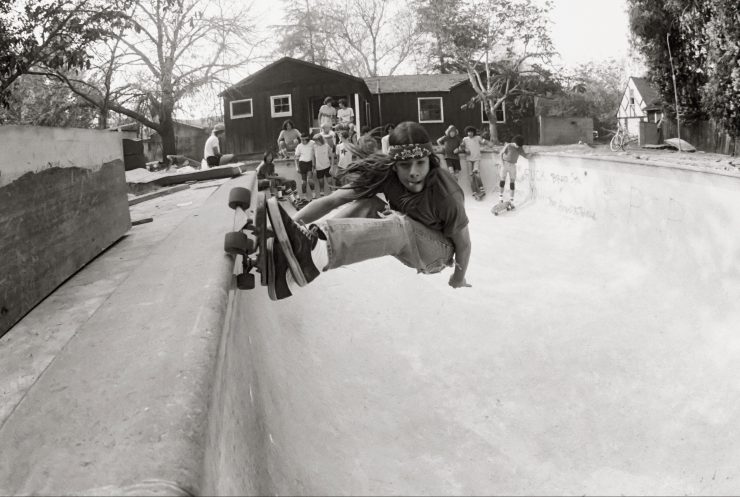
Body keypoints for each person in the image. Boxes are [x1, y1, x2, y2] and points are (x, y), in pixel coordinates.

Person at [262, 121, 472, 300]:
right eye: (405, 166)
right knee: (369, 204)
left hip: (437, 253)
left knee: (399, 223)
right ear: (394, 165)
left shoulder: (446, 193)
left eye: (420, 163)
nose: (414, 173)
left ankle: (317, 253)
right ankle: (308, 242)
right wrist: (284, 230)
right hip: (407, 234)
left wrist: (458, 278)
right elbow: (332, 200)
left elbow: (463, 244)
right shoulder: (384, 174)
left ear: (430, 161)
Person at [498, 135, 530, 206]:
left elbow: (526, 156)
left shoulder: (520, 148)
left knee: (512, 182)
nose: (517, 147)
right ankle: (500, 198)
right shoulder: (508, 145)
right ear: (514, 142)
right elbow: (501, 154)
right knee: (502, 180)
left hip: (513, 166)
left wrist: (533, 154)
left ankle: (511, 200)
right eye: (517, 145)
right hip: (505, 164)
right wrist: (502, 164)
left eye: (519, 146)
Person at [461, 125, 488, 198]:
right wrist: (465, 149)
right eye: (468, 132)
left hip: (476, 159)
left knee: (476, 173)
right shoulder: (465, 139)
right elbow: (462, 146)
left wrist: (486, 141)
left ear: (474, 132)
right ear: (467, 133)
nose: (470, 133)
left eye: (471, 132)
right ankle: (474, 191)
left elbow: (483, 142)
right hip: (469, 159)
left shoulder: (477, 138)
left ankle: (481, 189)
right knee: (471, 175)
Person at [294, 132, 316, 201]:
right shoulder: (299, 146)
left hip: (310, 163)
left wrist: (315, 164)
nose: (302, 141)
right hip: (302, 164)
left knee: (309, 180)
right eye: (301, 140)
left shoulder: (312, 143)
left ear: (308, 139)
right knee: (303, 182)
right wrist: (297, 167)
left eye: (304, 140)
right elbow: (296, 157)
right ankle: (304, 197)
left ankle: (313, 193)